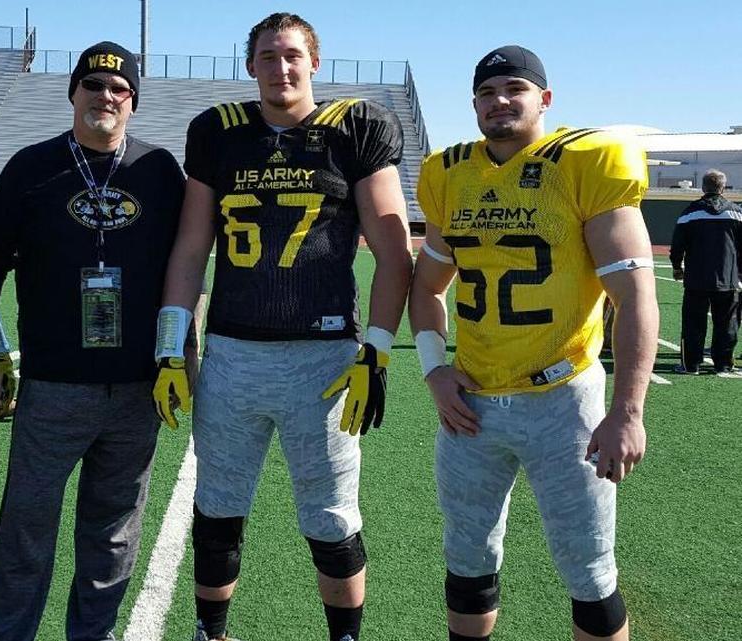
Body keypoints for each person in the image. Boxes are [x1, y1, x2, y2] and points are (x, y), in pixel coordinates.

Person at [152, 12, 412, 641]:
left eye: (293, 54)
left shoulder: (355, 128)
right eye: (268, 56)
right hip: (233, 353)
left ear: (314, 62)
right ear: (251, 65)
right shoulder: (218, 131)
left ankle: (343, 636)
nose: (281, 67)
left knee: (332, 519)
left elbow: (394, 250)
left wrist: (376, 350)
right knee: (217, 510)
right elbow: (190, 248)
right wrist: (169, 349)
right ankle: (211, 632)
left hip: (323, 359)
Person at [409, 45, 658, 641]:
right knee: (467, 559)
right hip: (472, 406)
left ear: (544, 99)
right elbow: (428, 287)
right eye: (487, 92)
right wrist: (434, 370)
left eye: (514, 89)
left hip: (563, 399)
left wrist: (628, 411)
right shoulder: (449, 172)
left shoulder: (585, 162)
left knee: (589, 570)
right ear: (473, 104)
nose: (499, 101)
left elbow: (635, 296)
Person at [0, 41, 186, 641]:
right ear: (73, 93)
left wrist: (183, 356)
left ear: (133, 100)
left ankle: (94, 633)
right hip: (53, 383)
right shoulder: (31, 166)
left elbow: (185, 269)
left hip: (137, 386)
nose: (105, 96)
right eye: (93, 84)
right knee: (26, 527)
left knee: (114, 532)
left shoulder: (159, 170)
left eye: (119, 88)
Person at [669, 169, 742, 377]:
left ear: (703, 187)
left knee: (693, 323)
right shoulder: (737, 212)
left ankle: (691, 365)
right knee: (727, 324)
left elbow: (677, 245)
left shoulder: (690, 212)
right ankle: (724, 364)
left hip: (696, 279)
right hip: (728, 279)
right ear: (723, 187)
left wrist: (677, 267)